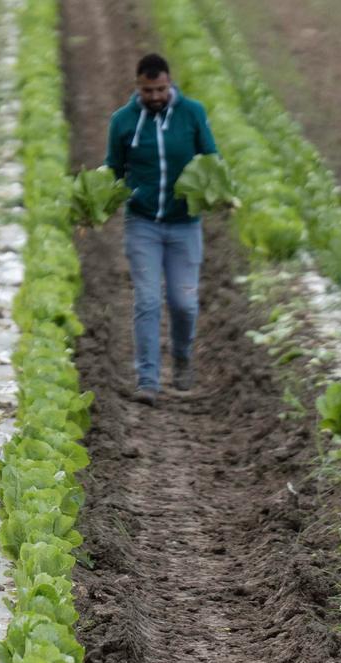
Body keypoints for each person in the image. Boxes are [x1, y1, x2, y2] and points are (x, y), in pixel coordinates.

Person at [105, 53, 218, 406]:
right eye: (147, 90)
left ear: (170, 83)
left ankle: (182, 359)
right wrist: (96, 202)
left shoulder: (192, 113)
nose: (155, 96)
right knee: (148, 300)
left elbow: (211, 159)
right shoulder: (122, 122)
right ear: (137, 87)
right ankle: (148, 380)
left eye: (160, 89)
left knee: (184, 303)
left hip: (185, 224)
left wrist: (220, 193)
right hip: (142, 224)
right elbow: (113, 169)